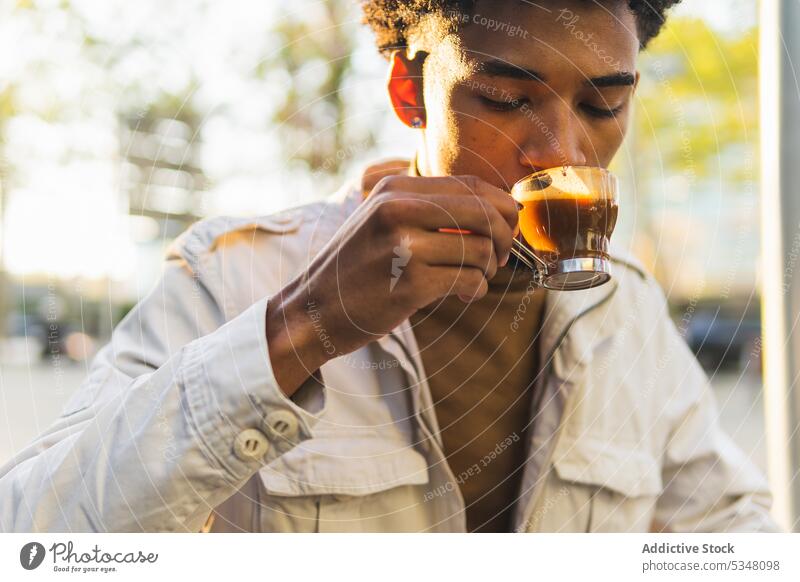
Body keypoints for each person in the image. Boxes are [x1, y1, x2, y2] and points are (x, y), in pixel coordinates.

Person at [0, 0, 780, 533]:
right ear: (411, 91)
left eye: (604, 108)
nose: (563, 153)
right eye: (507, 99)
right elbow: (34, 535)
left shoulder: (626, 311)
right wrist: (303, 326)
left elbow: (732, 534)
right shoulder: (232, 277)